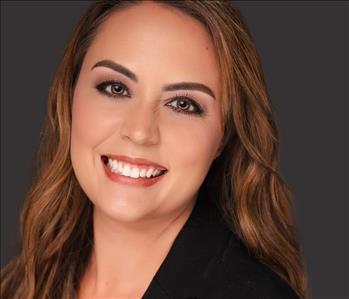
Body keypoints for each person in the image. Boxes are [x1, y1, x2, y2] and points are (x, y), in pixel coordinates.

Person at [0, 1, 309, 298]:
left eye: (183, 104)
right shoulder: (26, 278)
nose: (139, 131)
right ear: (69, 97)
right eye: (116, 88)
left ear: (224, 135)